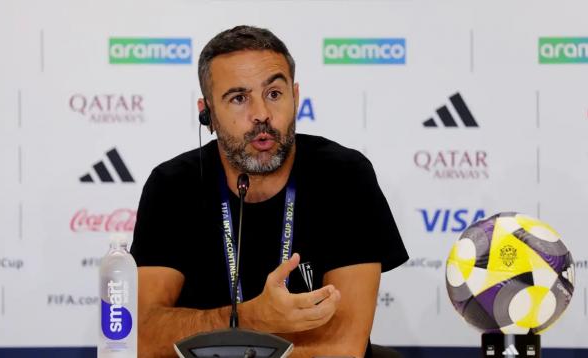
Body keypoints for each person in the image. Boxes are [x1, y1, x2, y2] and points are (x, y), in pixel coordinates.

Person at [130, 25, 408, 358]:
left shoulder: (345, 176)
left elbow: (342, 346)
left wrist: (226, 342)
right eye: (238, 98)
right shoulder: (172, 185)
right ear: (208, 115)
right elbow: (141, 336)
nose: (262, 114)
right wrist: (250, 319)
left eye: (274, 93)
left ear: (296, 97)